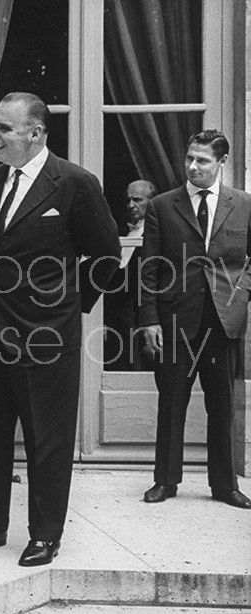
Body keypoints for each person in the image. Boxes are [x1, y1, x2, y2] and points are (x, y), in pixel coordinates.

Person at [0, 92, 120, 567]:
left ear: (36, 133)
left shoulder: (74, 183)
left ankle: (46, 534)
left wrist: (69, 309)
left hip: (47, 337)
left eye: (4, 129)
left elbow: (107, 258)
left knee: (46, 439)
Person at [140, 130, 251, 509]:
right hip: (176, 318)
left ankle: (224, 485)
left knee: (222, 405)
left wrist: (239, 294)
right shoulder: (161, 206)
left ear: (222, 163)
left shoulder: (244, 205)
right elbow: (149, 269)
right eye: (190, 158)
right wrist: (150, 319)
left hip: (223, 320)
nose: (193, 166)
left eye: (203, 160)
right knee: (172, 401)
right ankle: (165, 481)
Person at [103, 179, 157, 371]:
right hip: (118, 320)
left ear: (152, 201)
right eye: (128, 200)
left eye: (137, 200)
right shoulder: (125, 233)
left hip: (141, 316)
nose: (131, 205)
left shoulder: (154, 234)